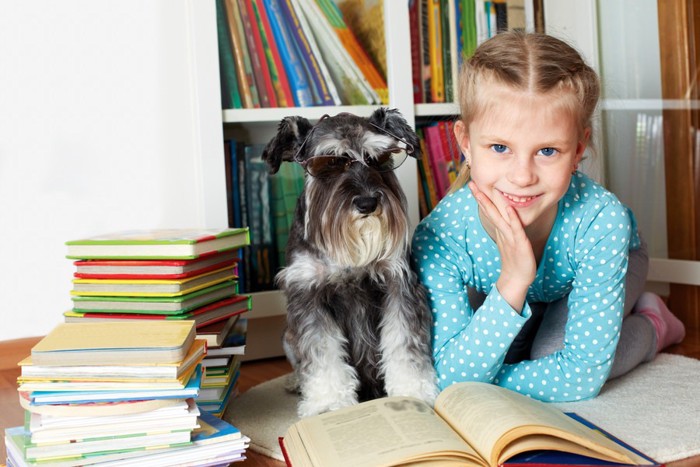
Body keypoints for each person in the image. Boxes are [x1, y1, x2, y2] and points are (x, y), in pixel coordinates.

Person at [411, 31, 685, 402]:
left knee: (545, 354)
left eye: (547, 151)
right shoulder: (441, 237)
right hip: (520, 284)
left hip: (597, 269)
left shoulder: (602, 222)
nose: (522, 176)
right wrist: (513, 281)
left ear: (578, 150)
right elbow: (450, 372)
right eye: (499, 147)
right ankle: (530, 312)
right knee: (494, 347)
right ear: (465, 144)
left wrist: (486, 381)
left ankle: (654, 323)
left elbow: (580, 376)